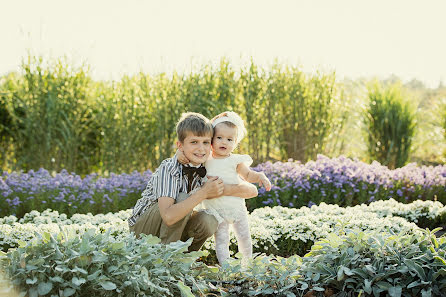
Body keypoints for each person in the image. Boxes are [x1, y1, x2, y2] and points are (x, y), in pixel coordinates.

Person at [128, 112, 258, 252]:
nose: (201, 148)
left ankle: (185, 258)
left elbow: (252, 191)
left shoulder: (207, 166)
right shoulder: (170, 168)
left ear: (212, 144)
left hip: (173, 227)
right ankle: (166, 260)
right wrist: (204, 193)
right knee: (184, 197)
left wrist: (220, 189)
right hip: (143, 231)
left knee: (209, 219)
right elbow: (169, 217)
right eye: (194, 142)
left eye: (206, 142)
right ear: (180, 146)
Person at [178, 111, 271, 265]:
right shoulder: (205, 159)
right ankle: (226, 269)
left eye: (229, 139)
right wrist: (179, 153)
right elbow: (187, 156)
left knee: (244, 236)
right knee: (221, 241)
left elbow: (247, 175)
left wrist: (260, 176)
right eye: (219, 137)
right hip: (216, 210)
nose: (224, 142)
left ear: (235, 143)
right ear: (212, 139)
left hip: (236, 207)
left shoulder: (235, 160)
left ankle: (247, 265)